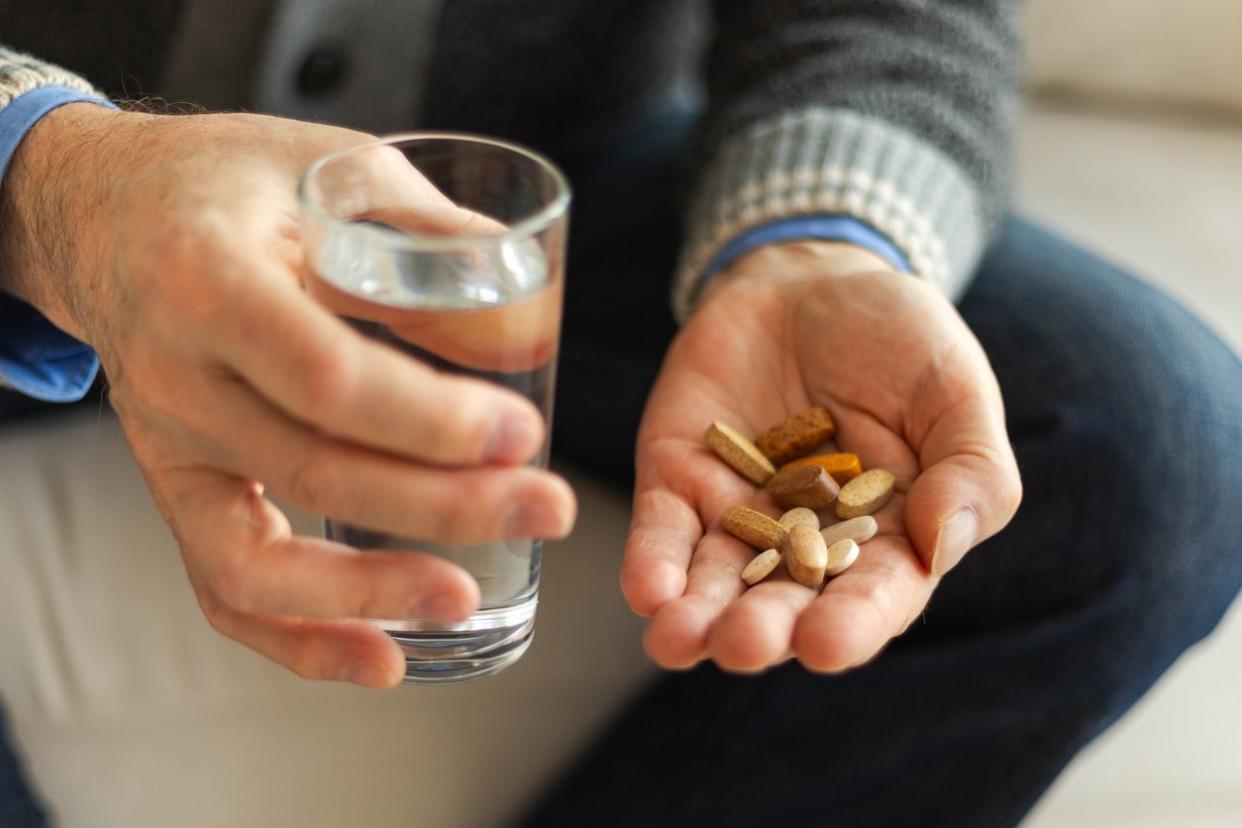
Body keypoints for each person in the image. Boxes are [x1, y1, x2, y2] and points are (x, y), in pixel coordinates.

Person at [1, 2, 1239, 825]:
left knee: (1155, 454)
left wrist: (817, 246)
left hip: (562, 179)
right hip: (40, 172)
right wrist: (54, 180)